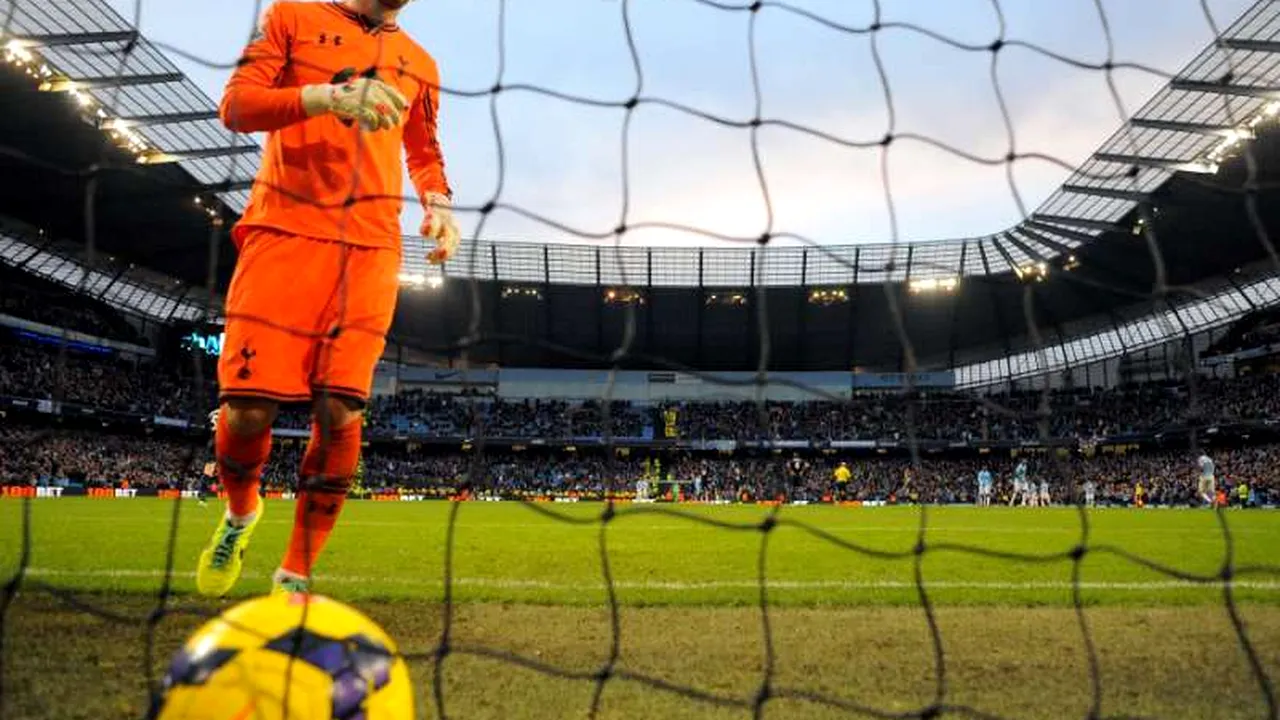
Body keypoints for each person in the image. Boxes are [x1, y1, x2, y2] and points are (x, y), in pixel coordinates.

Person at [196, 0, 460, 597]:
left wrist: (439, 206)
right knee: (247, 411)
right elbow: (236, 106)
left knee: (341, 411)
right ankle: (241, 514)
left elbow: (423, 152)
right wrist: (326, 98)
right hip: (283, 233)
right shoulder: (290, 15)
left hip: (370, 249)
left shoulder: (420, 63)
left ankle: (294, 573)